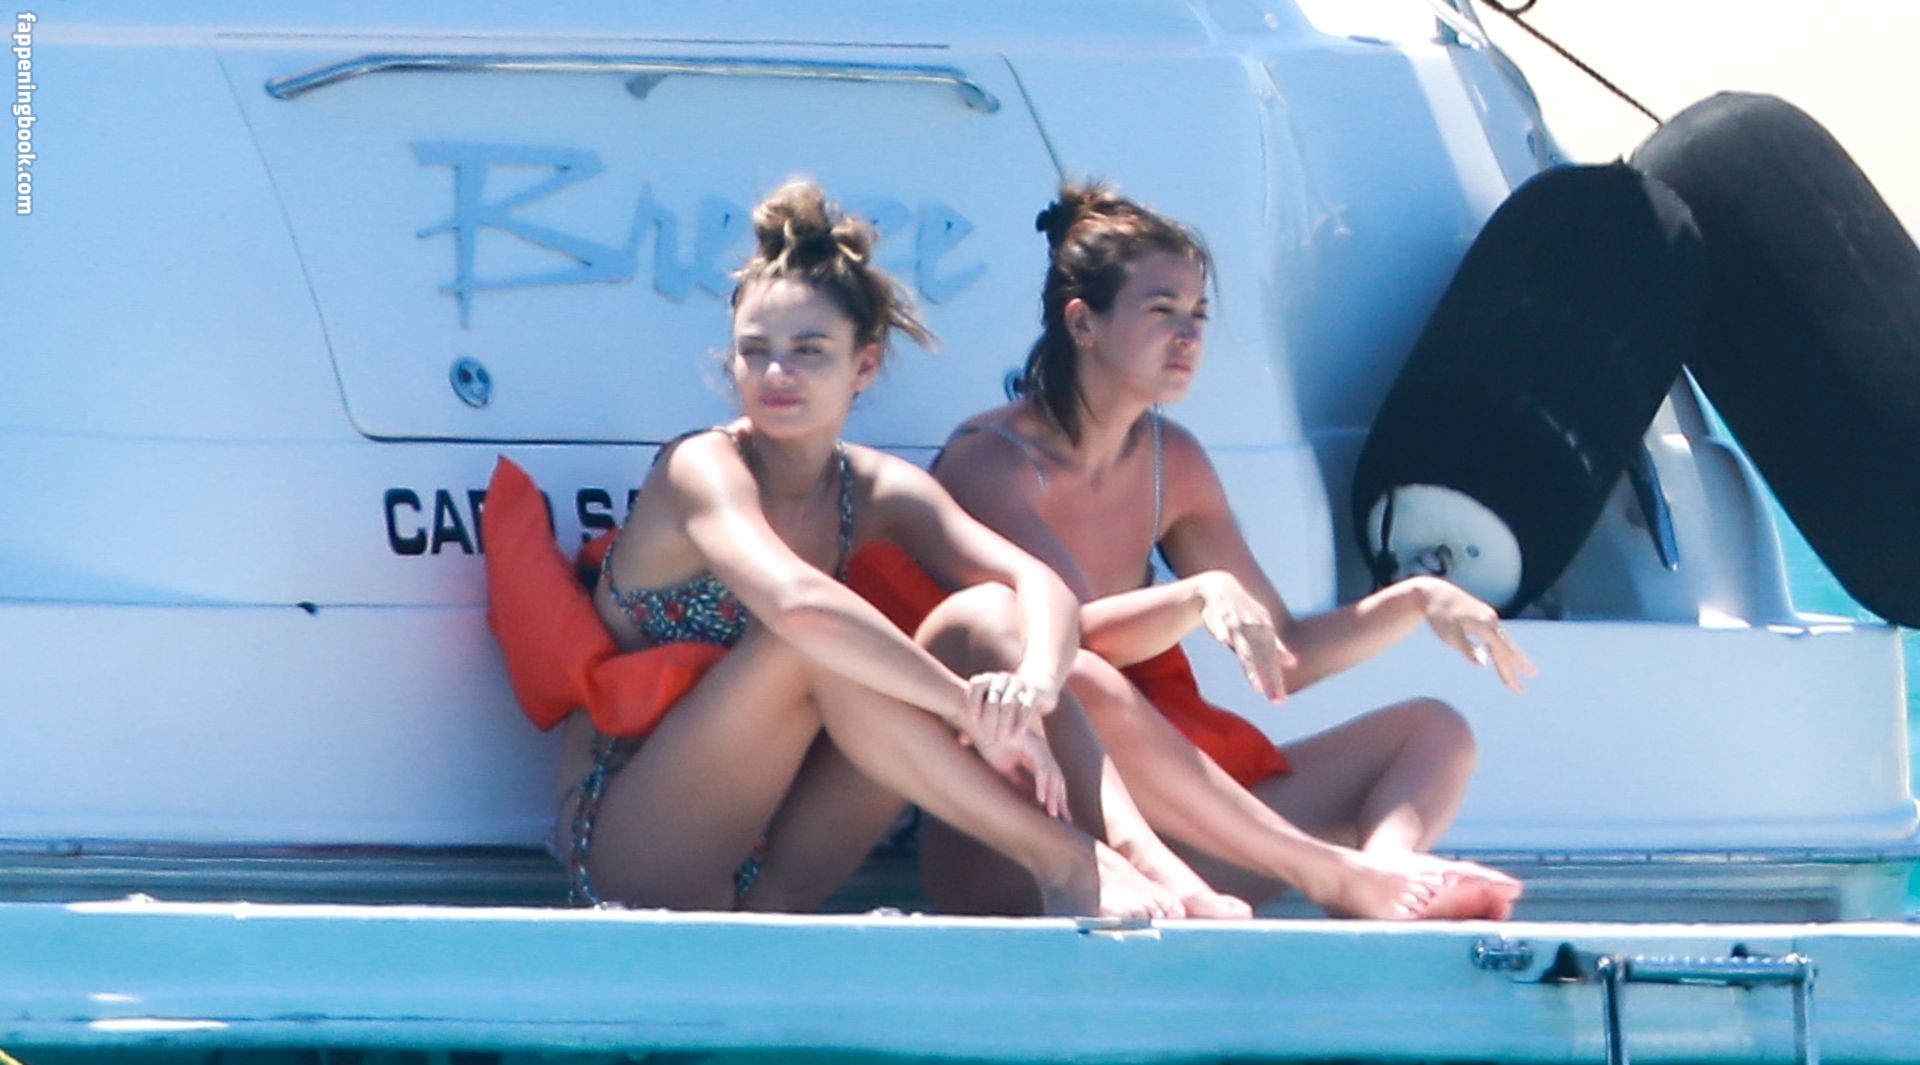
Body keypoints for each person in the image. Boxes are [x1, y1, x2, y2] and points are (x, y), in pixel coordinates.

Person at [545, 178, 1209, 918]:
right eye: (754, 352)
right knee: (805, 640)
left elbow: (1041, 586)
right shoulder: (700, 467)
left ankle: (1135, 850)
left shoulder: (872, 488)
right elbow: (798, 606)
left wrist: (1033, 688)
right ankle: (1066, 862)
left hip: (783, 863)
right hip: (639, 848)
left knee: (983, 615)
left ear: (864, 365)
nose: (776, 374)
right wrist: (963, 708)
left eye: (808, 351)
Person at [923, 181, 1535, 920]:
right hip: (1031, 836)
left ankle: (1387, 878)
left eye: (1198, 315)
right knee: (1083, 677)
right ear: (1083, 322)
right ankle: (1330, 873)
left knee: (1435, 730)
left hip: (1178, 827)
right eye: (1162, 311)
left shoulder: (1172, 460)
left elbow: (1284, 656)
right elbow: (1069, 648)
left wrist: (1413, 600)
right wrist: (1196, 593)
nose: (1188, 337)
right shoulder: (990, 461)